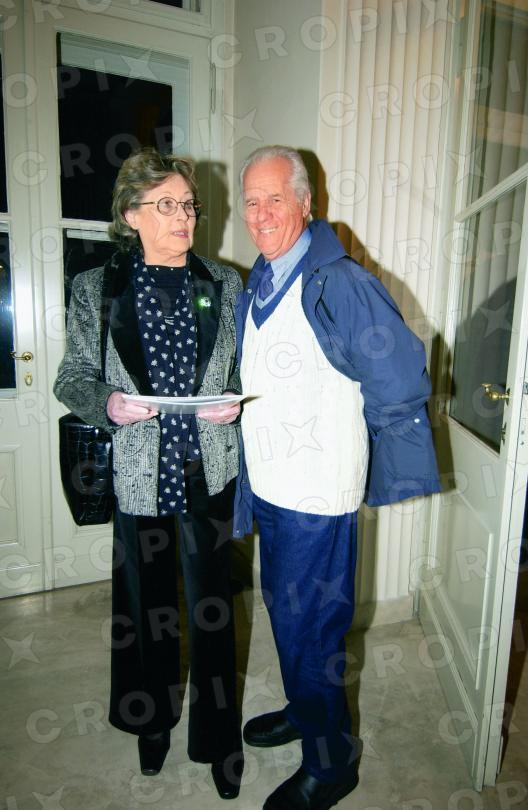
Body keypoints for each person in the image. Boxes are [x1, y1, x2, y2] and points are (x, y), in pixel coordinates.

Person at [233, 146, 440, 810]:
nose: (261, 214)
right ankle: (305, 710)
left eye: (275, 198)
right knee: (287, 616)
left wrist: (371, 461)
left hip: (317, 497)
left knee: (313, 632)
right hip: (271, 489)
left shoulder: (339, 281)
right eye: (251, 201)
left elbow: (401, 376)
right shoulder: (260, 282)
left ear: (305, 202)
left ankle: (332, 764)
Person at [54, 147, 244, 800]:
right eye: (167, 205)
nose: (184, 216)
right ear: (131, 214)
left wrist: (233, 402)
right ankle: (152, 724)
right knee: (147, 611)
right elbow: (72, 377)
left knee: (213, 613)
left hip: (208, 471)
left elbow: (243, 370)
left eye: (189, 204)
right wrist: (108, 403)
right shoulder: (95, 288)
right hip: (139, 475)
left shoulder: (224, 283)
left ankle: (219, 742)